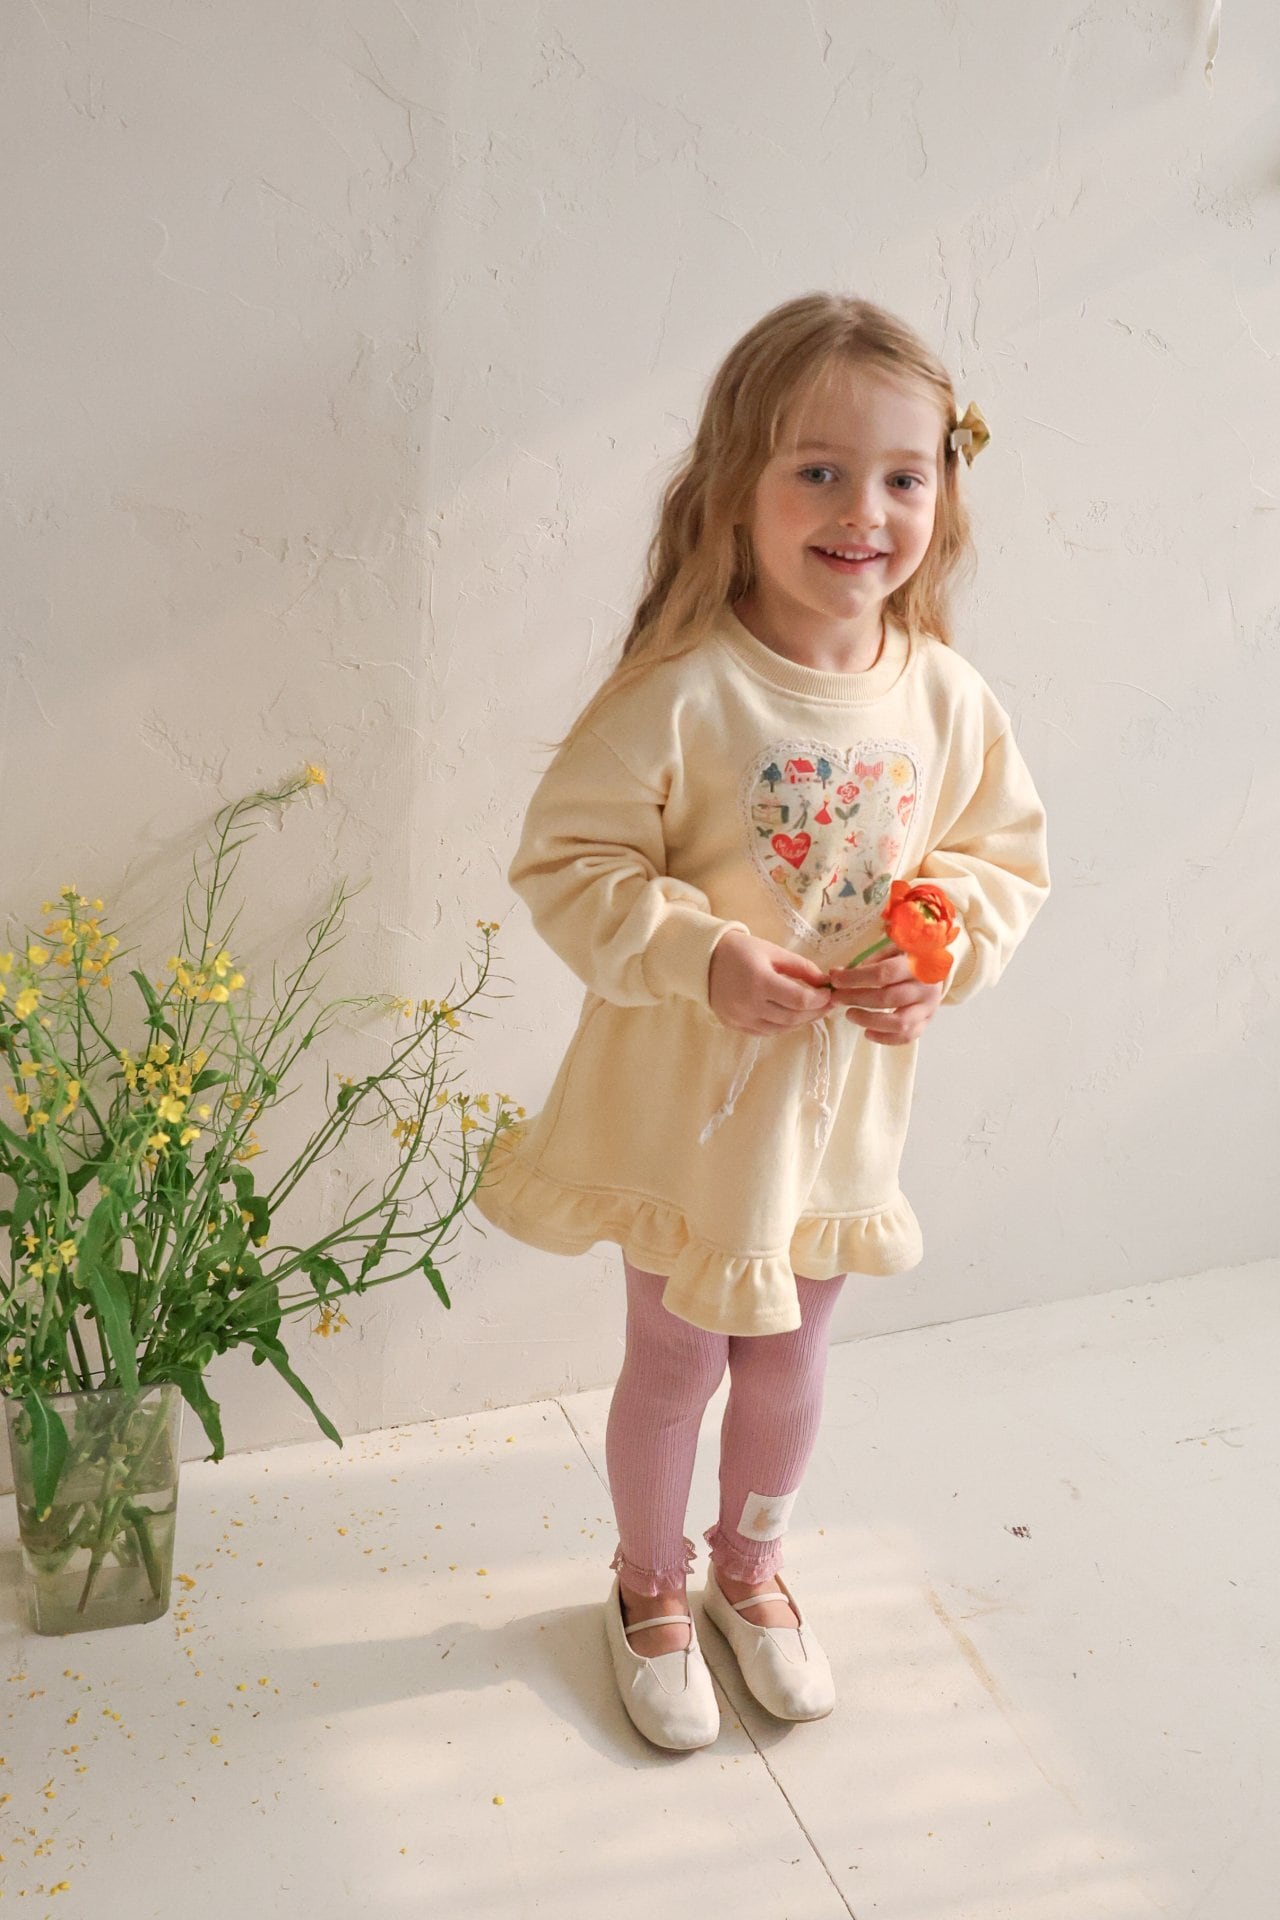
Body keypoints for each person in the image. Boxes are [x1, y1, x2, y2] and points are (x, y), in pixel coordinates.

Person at [473, 291, 1050, 1750]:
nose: (865, 513)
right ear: (737, 485)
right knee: (676, 1361)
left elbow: (996, 858)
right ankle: (648, 1586)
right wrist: (701, 952)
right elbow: (568, 864)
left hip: (835, 1119)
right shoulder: (683, 692)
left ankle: (751, 1570)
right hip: (689, 1115)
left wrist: (939, 950)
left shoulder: (947, 697)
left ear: (945, 492)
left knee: (792, 1361)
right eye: (820, 471)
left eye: (903, 476)